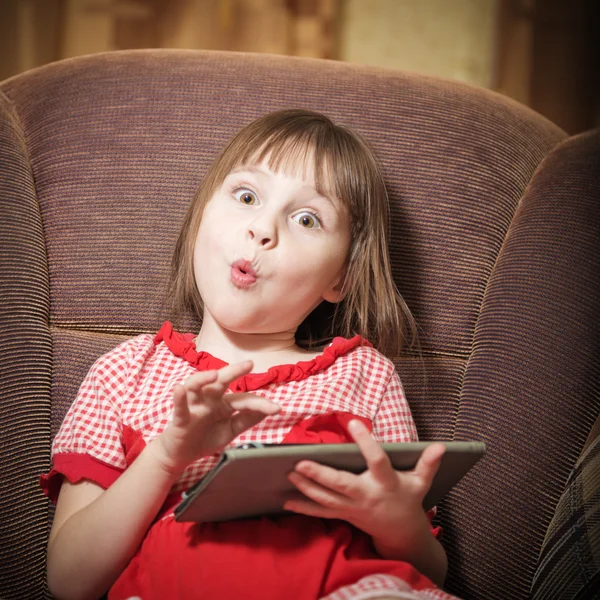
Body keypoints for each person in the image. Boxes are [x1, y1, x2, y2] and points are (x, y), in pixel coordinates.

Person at [41, 109, 459, 600]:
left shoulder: (367, 376)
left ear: (340, 278)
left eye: (307, 218)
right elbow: (69, 582)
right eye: (246, 197)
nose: (262, 229)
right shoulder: (124, 373)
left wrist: (397, 525)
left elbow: (432, 573)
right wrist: (166, 456)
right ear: (201, 218)